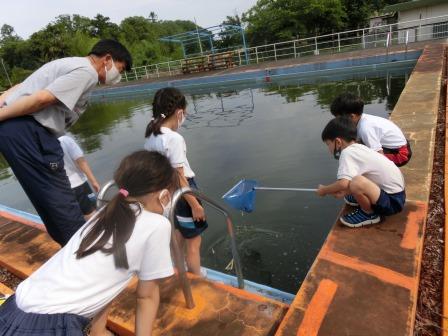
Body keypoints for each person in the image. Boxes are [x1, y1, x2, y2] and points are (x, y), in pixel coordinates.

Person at [0, 150, 177, 336]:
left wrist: (99, 332)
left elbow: (106, 288)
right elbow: (146, 296)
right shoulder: (158, 225)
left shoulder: (105, 214)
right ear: (164, 194)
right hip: (50, 326)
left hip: (13, 310)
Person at [0, 39, 132, 246]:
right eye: (120, 68)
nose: (119, 75)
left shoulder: (68, 63)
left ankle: (69, 253)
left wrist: (4, 111)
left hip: (14, 132)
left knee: (48, 203)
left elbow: (19, 87)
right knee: (63, 205)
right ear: (107, 59)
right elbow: (42, 99)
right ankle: (82, 260)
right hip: (30, 131)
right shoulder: (87, 72)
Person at [144, 87, 207, 277]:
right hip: (183, 194)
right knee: (194, 244)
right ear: (179, 112)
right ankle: (196, 279)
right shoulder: (174, 138)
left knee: (176, 238)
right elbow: (179, 176)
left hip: (165, 194)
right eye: (184, 113)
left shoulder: (151, 133)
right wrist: (195, 204)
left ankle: (181, 275)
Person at [317, 116, 406, 228]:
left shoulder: (347, 153)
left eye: (328, 144)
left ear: (338, 142)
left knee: (356, 182)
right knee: (355, 179)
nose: (328, 148)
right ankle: (363, 198)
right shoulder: (359, 147)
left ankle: (369, 214)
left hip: (392, 203)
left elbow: (343, 183)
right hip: (397, 196)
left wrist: (324, 190)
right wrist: (345, 191)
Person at [330, 93, 412, 167]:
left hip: (400, 155)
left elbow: (379, 156)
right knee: (355, 146)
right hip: (397, 147)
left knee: (360, 157)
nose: (339, 121)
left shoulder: (365, 128)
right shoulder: (362, 118)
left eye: (339, 119)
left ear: (352, 116)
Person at [59, 135, 100, 220]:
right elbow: (81, 162)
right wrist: (94, 181)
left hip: (62, 187)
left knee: (78, 214)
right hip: (78, 183)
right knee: (91, 212)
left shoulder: (43, 143)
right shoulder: (65, 140)